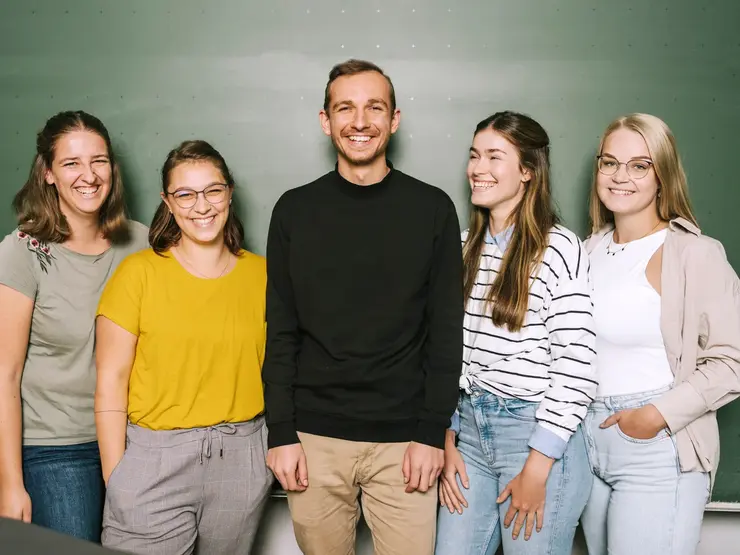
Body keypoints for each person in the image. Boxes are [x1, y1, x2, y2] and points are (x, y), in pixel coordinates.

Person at [262, 59, 464, 555]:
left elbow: (445, 334)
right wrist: (280, 432)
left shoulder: (432, 209)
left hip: (406, 442)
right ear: (325, 120)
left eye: (374, 107)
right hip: (313, 439)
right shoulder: (293, 211)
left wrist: (431, 432)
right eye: (344, 108)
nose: (359, 121)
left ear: (394, 119)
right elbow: (281, 330)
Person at [94, 139, 273, 554]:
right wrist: (117, 479)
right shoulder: (137, 274)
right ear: (167, 202)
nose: (202, 205)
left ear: (229, 192)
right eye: (185, 194)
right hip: (152, 460)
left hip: (242, 455)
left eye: (212, 190)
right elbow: (110, 382)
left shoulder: (263, 276)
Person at [434, 111, 596, 555]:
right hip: (468, 433)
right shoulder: (462, 245)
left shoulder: (559, 247)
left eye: (494, 156)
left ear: (527, 171)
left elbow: (576, 368)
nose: (477, 168)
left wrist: (538, 467)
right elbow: (446, 351)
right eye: (473, 155)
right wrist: (446, 435)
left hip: (533, 438)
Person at [580, 113, 740, 555]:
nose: (620, 176)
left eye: (639, 165)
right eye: (609, 163)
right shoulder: (587, 251)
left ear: (662, 176)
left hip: (655, 445)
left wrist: (655, 415)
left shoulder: (694, 253)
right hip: (587, 444)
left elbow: (732, 361)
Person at [0, 110, 149, 542]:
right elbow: (4, 375)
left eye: (98, 160)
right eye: (71, 163)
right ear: (48, 173)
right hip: (56, 449)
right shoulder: (22, 252)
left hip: (133, 439)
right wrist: (10, 484)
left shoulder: (142, 244)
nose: (89, 175)